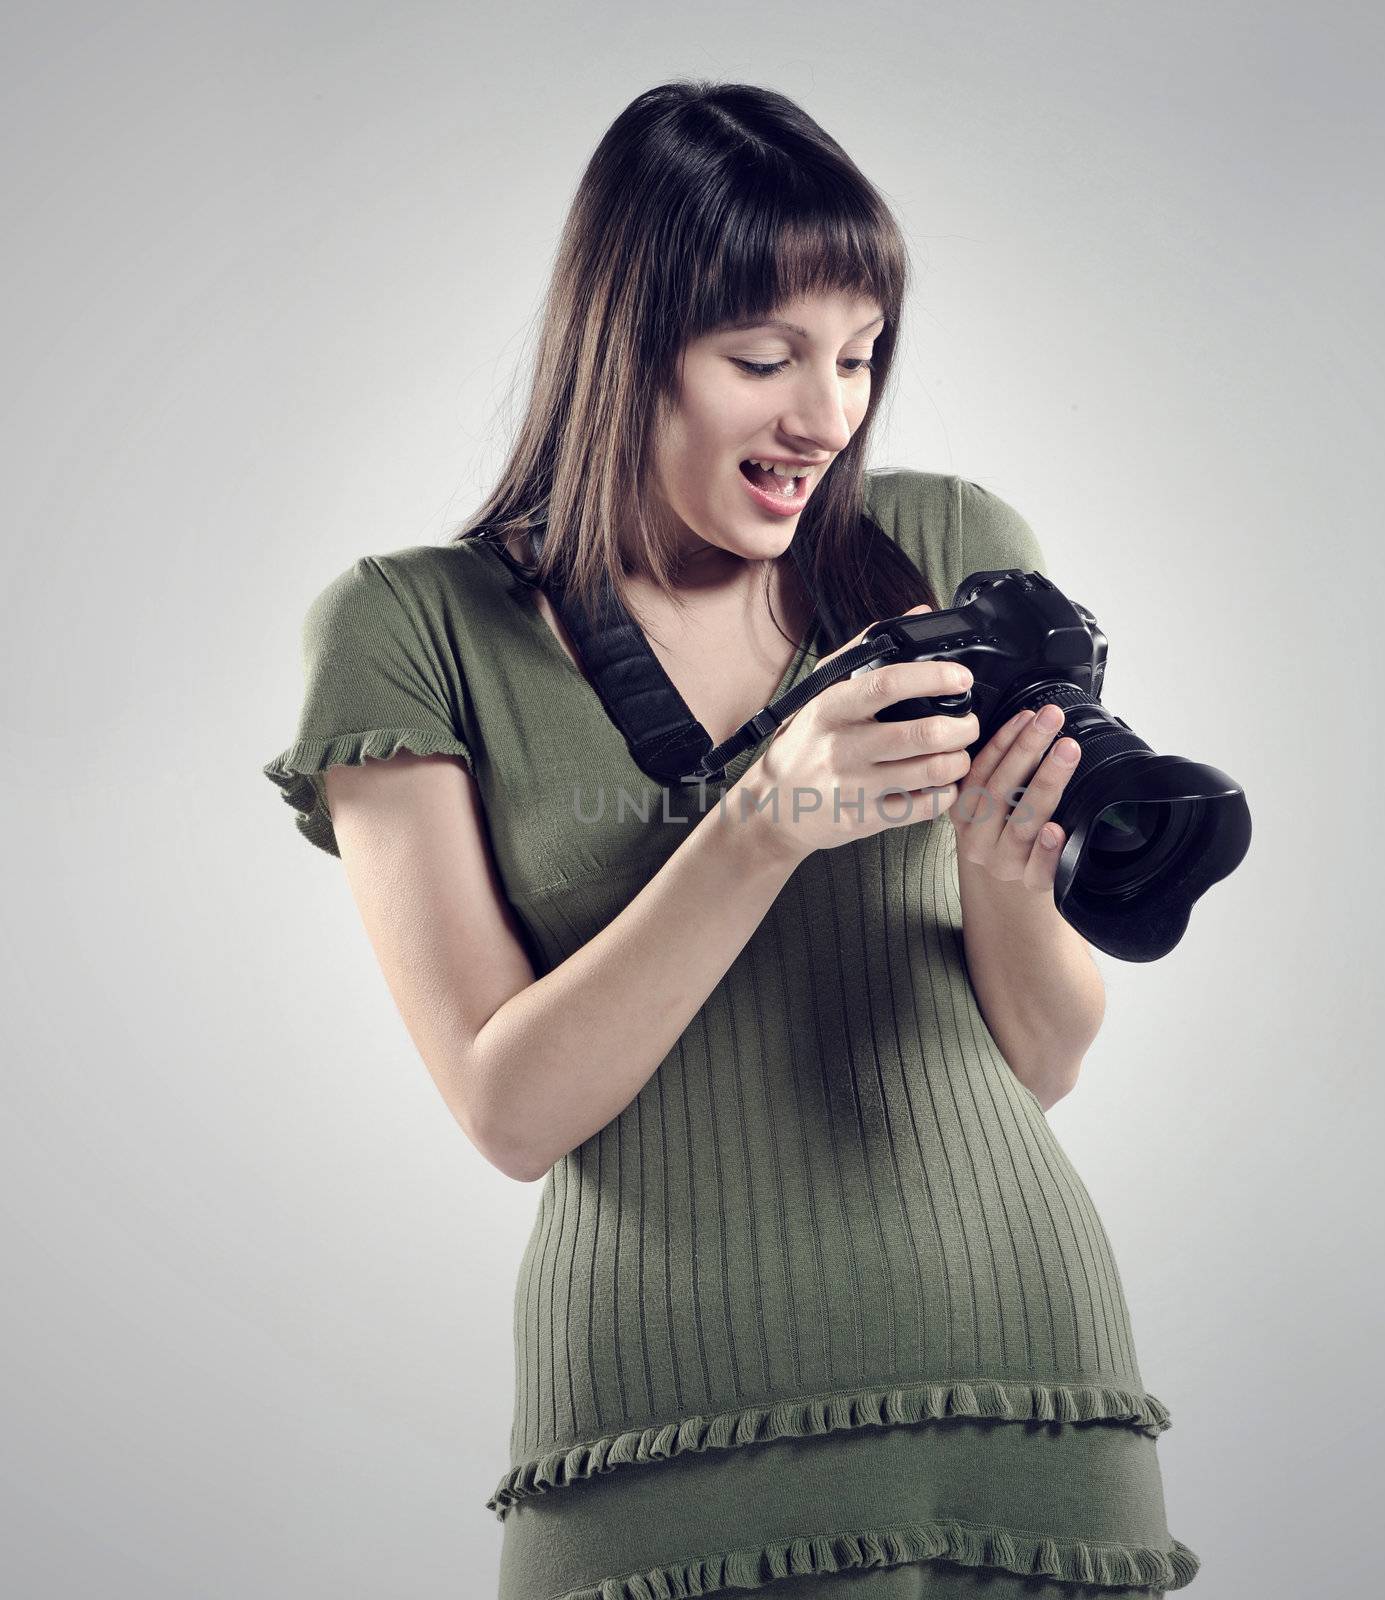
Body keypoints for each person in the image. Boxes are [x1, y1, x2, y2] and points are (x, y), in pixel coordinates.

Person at [262, 79, 1199, 1600]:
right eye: (762, 357)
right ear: (624, 349)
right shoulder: (412, 630)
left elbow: (1040, 1061)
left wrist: (1011, 859)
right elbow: (510, 1109)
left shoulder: (952, 550)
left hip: (1027, 1387)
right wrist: (761, 828)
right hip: (666, 1430)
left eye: (857, 356)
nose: (825, 416)